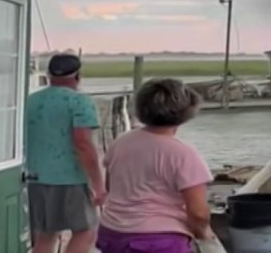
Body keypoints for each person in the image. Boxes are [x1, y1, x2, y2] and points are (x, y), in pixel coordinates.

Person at [97, 78, 215, 253]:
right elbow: (198, 213)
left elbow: (111, 186)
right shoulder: (184, 154)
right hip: (158, 239)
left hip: (113, 232)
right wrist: (203, 232)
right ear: (187, 112)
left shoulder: (121, 142)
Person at [24, 53, 105, 253]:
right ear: (77, 76)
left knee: (45, 234)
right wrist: (98, 184)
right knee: (86, 230)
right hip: (70, 179)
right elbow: (83, 143)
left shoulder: (30, 101)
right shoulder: (80, 102)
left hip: (35, 177)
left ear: (49, 75)